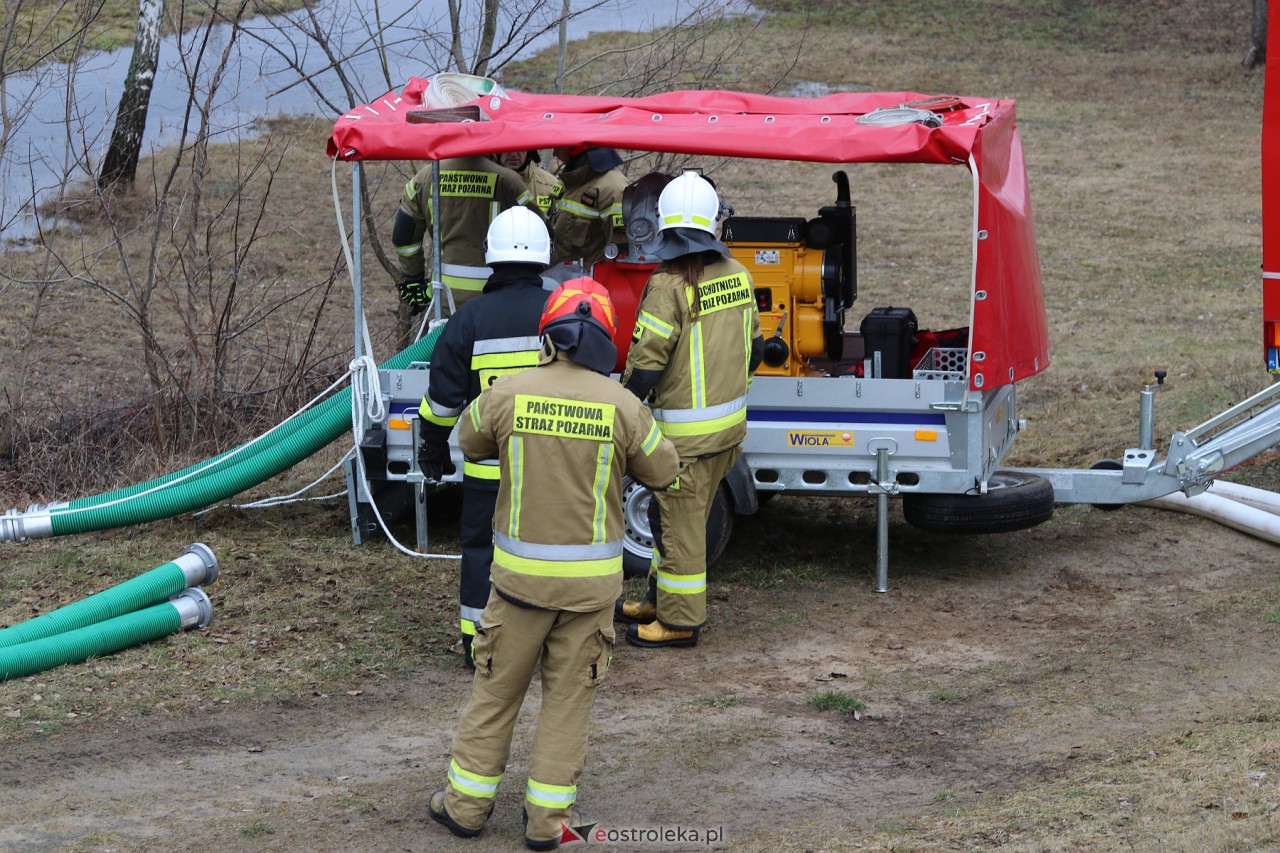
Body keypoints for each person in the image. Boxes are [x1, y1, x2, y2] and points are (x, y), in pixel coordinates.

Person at [427, 278, 679, 850]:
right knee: (567, 705)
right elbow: (665, 472)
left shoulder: (508, 393)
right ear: (605, 343)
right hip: (589, 594)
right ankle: (546, 825)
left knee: (494, 696)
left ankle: (465, 808)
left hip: (517, 586)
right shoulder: (624, 406)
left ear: (549, 335)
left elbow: (468, 442)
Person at [615, 171, 765, 649]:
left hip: (683, 441)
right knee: (678, 524)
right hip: (727, 434)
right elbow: (756, 350)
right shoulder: (738, 274)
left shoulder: (667, 285)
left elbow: (645, 365)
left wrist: (623, 405)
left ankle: (679, 621)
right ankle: (659, 599)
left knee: (677, 527)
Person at [416, 206, 554, 669]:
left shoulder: (469, 320)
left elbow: (442, 400)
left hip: (489, 469)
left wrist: (432, 449)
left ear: (490, 257)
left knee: (482, 552)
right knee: (552, 550)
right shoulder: (565, 309)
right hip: (555, 468)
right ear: (544, 257)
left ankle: (480, 643)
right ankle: (551, 638)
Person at [392, 155, 540, 316]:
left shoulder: (425, 177)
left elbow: (404, 235)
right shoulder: (509, 181)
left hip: (443, 299)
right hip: (496, 298)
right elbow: (540, 231)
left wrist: (413, 278)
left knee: (443, 341)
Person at [546, 145, 629, 282]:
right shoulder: (569, 181)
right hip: (557, 284)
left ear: (574, 148)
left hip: (588, 292)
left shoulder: (613, 189)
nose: (555, 153)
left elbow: (619, 255)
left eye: (560, 148)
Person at [497, 150, 563, 217]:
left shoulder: (551, 185)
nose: (514, 154)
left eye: (520, 148)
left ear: (530, 152)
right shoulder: (488, 181)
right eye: (507, 148)